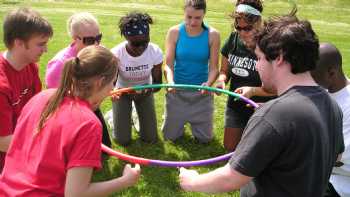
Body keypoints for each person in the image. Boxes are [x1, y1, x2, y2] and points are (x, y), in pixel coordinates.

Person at [178, 11, 344, 197]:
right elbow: (336, 156)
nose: (257, 66)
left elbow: (232, 177)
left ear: (279, 58)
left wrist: (191, 181)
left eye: (259, 58)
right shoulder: (331, 104)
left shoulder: (274, 116)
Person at [0, 45, 141, 196]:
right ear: (100, 82)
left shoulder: (41, 97)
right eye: (113, 81)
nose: (112, 89)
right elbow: (76, 193)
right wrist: (126, 180)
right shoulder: (88, 124)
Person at [45, 12, 112, 148]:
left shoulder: (100, 53)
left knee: (105, 148)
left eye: (98, 37)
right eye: (89, 40)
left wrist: (97, 100)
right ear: (75, 38)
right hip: (69, 114)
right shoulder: (59, 64)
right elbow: (54, 100)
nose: (96, 43)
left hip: (92, 107)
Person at [216, 0, 274, 151]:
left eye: (247, 29)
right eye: (238, 27)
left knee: (257, 150)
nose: (241, 32)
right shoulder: (233, 39)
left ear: (258, 22)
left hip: (263, 106)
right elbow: (224, 71)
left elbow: (278, 89)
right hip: (236, 104)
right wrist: (221, 81)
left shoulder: (270, 45)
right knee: (230, 148)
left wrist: (253, 91)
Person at [0, 7, 53, 172]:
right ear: (19, 43)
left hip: (22, 144)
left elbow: (38, 108)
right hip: (7, 156)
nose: (45, 50)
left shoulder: (30, 66)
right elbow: (3, 142)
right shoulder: (2, 85)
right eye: (41, 44)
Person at [162, 0, 220, 143]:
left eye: (198, 18)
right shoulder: (174, 32)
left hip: (201, 93)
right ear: (184, 13)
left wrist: (208, 83)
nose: (193, 22)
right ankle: (172, 116)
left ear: (204, 15)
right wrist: (171, 83)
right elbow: (167, 65)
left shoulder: (213, 35)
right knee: (170, 137)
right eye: (189, 17)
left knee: (205, 140)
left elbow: (214, 68)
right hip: (177, 91)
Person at [110, 11, 162, 146]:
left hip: (145, 92)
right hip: (123, 92)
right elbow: (111, 84)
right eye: (135, 43)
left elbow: (158, 85)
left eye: (145, 42)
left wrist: (146, 90)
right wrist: (117, 92)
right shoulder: (116, 54)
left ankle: (133, 115)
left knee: (150, 138)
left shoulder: (155, 52)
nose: (141, 48)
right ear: (127, 39)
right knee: (122, 140)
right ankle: (114, 117)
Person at [311, 43, 350, 197]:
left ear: (331, 73)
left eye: (313, 76)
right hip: (323, 172)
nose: (309, 81)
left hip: (340, 181)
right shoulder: (323, 90)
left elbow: (337, 158)